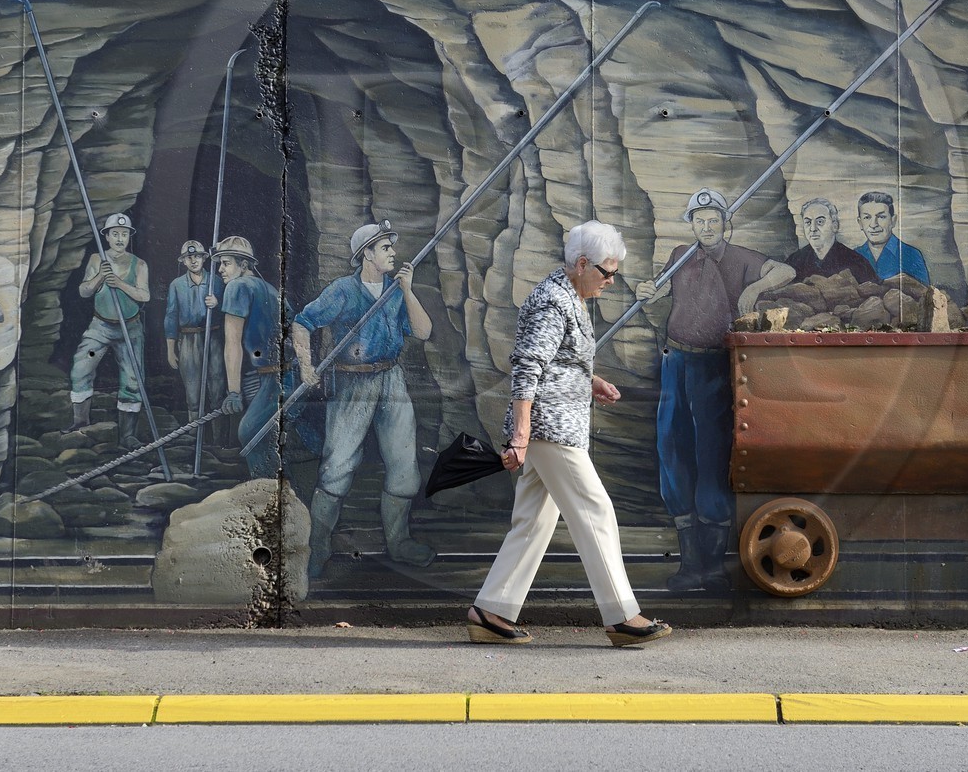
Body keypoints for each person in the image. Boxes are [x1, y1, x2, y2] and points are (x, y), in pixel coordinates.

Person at [468, 220, 672, 647]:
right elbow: (527, 367)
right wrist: (521, 436)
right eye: (607, 272)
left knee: (533, 522)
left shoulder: (570, 296)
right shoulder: (552, 302)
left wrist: (590, 380)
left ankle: (491, 611)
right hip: (549, 428)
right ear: (582, 263)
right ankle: (621, 615)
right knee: (595, 509)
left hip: (555, 425)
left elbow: (558, 359)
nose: (612, 281)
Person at [634, 187, 793, 593]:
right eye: (699, 220)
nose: (706, 227)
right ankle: (690, 566)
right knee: (672, 448)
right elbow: (658, 290)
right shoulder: (680, 256)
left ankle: (713, 567)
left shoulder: (740, 257)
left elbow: (786, 272)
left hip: (714, 366)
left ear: (727, 223)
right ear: (691, 224)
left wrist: (753, 290)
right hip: (676, 363)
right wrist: (647, 291)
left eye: (713, 220)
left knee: (712, 450)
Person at [293, 221, 434, 577]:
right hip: (353, 383)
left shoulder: (396, 290)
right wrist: (307, 365)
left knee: (404, 464)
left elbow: (422, 331)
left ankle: (399, 543)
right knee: (338, 464)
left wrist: (408, 289)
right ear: (366, 254)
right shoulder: (342, 290)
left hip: (391, 379)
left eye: (391, 246)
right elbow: (302, 322)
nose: (392, 253)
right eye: (385, 247)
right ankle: (318, 547)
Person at [208, 236, 320, 478]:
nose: (220, 269)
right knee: (279, 429)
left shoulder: (236, 288)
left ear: (244, 265)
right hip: (288, 374)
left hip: (270, 380)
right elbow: (296, 330)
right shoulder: (272, 290)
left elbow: (233, 343)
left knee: (249, 432)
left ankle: (266, 487)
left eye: (226, 263)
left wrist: (234, 392)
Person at [68, 212, 150, 447]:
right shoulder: (97, 260)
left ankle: (127, 435)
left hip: (130, 329)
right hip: (100, 327)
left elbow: (145, 295)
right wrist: (100, 279)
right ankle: (80, 422)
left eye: (124, 234)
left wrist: (120, 283)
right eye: (115, 234)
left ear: (129, 236)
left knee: (133, 379)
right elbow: (84, 291)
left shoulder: (140, 264)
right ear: (107, 236)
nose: (120, 238)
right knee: (81, 367)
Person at [165, 239, 228, 444]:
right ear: (183, 261)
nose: (194, 260)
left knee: (217, 389)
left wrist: (218, 304)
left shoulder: (216, 282)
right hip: (189, 341)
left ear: (204, 258)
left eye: (198, 256)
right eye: (189, 257)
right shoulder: (177, 285)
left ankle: (219, 440)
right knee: (192, 392)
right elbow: (171, 316)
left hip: (214, 339)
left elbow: (231, 312)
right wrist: (170, 348)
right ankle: (195, 440)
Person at [785, 197, 877, 284]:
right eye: (808, 222)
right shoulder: (794, 261)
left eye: (820, 222)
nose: (813, 228)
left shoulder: (856, 262)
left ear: (835, 226)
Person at [853, 191, 930, 284]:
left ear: (893, 221)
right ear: (860, 223)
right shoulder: (854, 256)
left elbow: (925, 295)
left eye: (881, 217)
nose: (873, 224)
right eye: (867, 217)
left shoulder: (911, 254)